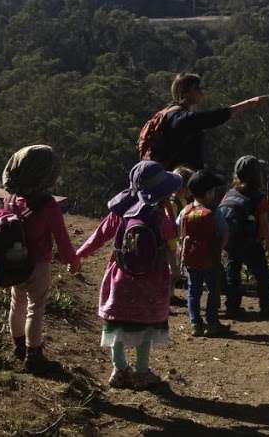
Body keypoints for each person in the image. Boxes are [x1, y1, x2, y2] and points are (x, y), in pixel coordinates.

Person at [74, 161, 181, 389]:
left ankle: (119, 369)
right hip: (151, 278)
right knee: (147, 325)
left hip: (121, 275)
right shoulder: (160, 216)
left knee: (118, 324)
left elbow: (99, 235)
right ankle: (142, 372)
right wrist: (175, 271)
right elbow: (172, 240)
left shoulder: (121, 212)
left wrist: (78, 255)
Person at [0, 144, 80, 373]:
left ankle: (18, 346)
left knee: (17, 303)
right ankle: (33, 354)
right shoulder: (49, 205)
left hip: (15, 262)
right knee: (35, 308)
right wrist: (72, 261)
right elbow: (62, 240)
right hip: (38, 265)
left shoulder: (11, 199)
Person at [148, 73, 268, 170]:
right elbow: (214, 117)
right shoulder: (183, 119)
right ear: (185, 93)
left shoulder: (167, 113)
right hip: (180, 180)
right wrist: (248, 103)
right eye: (197, 88)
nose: (201, 91)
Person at [220, 155, 269, 319]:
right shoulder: (259, 197)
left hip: (232, 242)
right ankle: (266, 308)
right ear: (257, 175)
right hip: (252, 243)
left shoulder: (229, 193)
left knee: (233, 273)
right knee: (263, 275)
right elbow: (264, 223)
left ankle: (232, 307)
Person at [178, 169, 231, 336]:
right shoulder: (214, 212)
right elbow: (224, 233)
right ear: (208, 193)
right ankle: (212, 323)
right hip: (210, 259)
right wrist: (219, 250)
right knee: (213, 290)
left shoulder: (185, 211)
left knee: (193, 291)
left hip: (191, 259)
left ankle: (195, 324)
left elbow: (178, 228)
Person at [166, 166, 195, 306]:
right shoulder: (172, 202)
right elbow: (169, 223)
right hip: (169, 243)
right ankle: (165, 298)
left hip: (176, 242)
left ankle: (170, 296)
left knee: (175, 272)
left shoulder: (182, 201)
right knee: (172, 272)